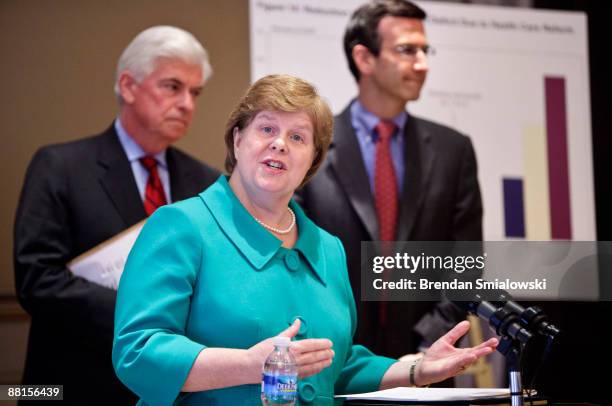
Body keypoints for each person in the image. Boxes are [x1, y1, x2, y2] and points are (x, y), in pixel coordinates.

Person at [112, 74, 497, 405]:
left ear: (312, 161)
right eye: (266, 128)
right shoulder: (181, 225)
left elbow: (335, 366)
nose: (279, 143)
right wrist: (249, 365)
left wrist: (415, 368)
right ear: (237, 140)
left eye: (297, 136)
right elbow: (139, 350)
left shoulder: (328, 248)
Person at [13, 26, 219, 404]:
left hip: (171, 390)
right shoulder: (60, 167)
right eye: (173, 87)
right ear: (128, 86)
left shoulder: (208, 183)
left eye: (195, 92)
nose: (188, 103)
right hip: (74, 385)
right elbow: (37, 280)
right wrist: (143, 310)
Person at [298, 0, 483, 359]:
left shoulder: (452, 150)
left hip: (425, 361)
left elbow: (466, 262)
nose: (422, 64)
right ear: (364, 59)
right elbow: (293, 257)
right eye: (406, 50)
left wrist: (429, 341)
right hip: (330, 357)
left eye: (425, 50)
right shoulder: (309, 143)